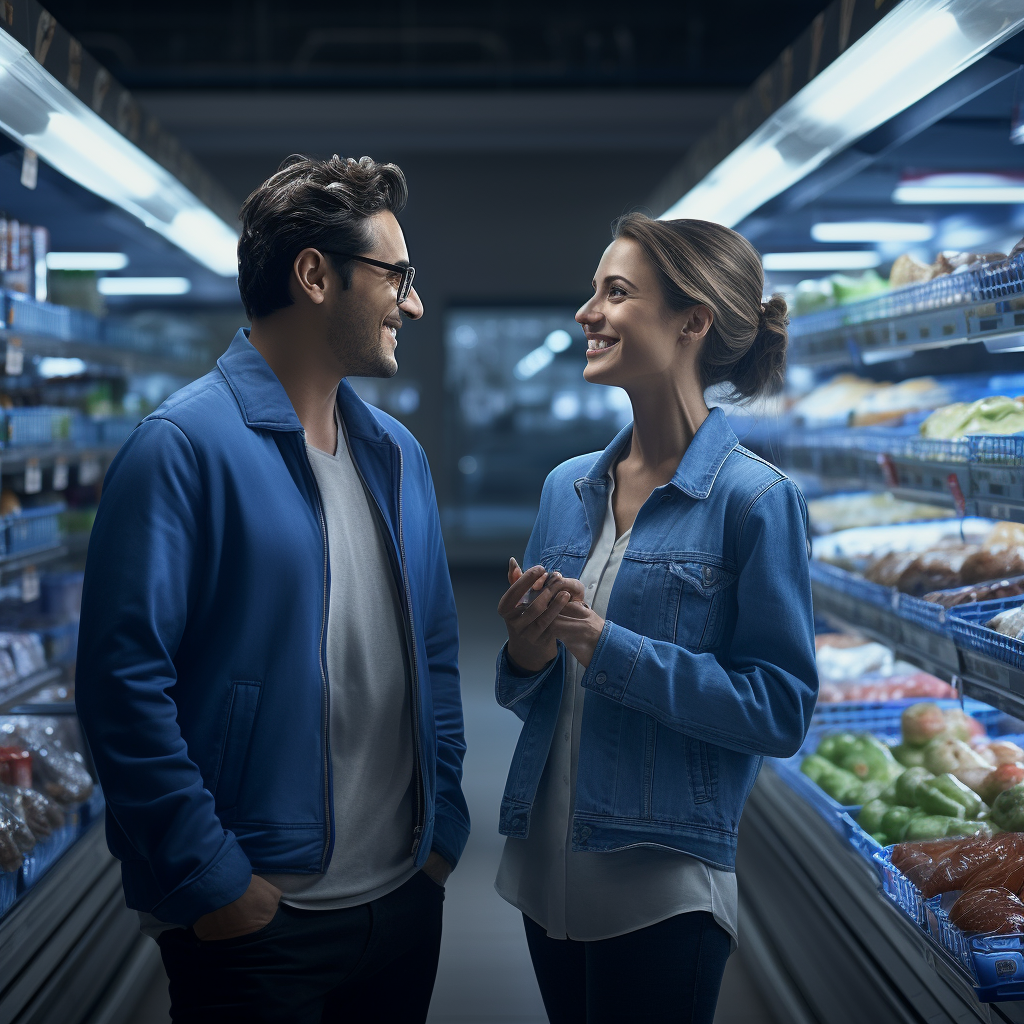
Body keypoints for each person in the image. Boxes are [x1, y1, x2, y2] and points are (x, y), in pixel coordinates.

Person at [75, 154, 470, 1024]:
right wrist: (213, 881)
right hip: (259, 922)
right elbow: (121, 687)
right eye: (396, 275)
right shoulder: (180, 448)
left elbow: (436, 657)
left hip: (403, 901)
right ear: (315, 274)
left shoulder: (398, 458)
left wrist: (439, 840)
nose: (410, 301)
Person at [494, 213, 818, 1024]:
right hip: (545, 872)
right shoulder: (568, 486)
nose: (586, 313)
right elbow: (531, 691)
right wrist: (530, 654)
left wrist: (608, 648)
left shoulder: (756, 501)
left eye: (616, 293)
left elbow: (780, 709)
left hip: (664, 883)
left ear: (691, 321)